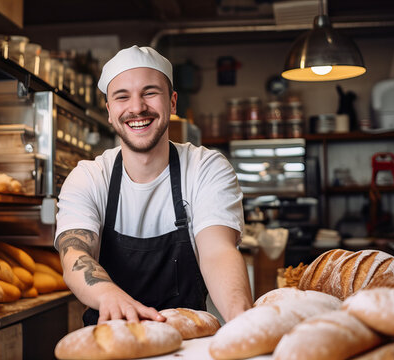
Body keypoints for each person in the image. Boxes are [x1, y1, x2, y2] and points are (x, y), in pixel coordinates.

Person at [54, 45, 253, 326]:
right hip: (110, 342)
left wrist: (241, 320)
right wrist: (109, 295)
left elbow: (217, 251)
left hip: (189, 343)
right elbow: (74, 253)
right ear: (109, 111)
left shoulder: (205, 168)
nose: (137, 108)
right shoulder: (89, 177)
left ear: (172, 102)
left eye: (150, 93)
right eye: (122, 97)